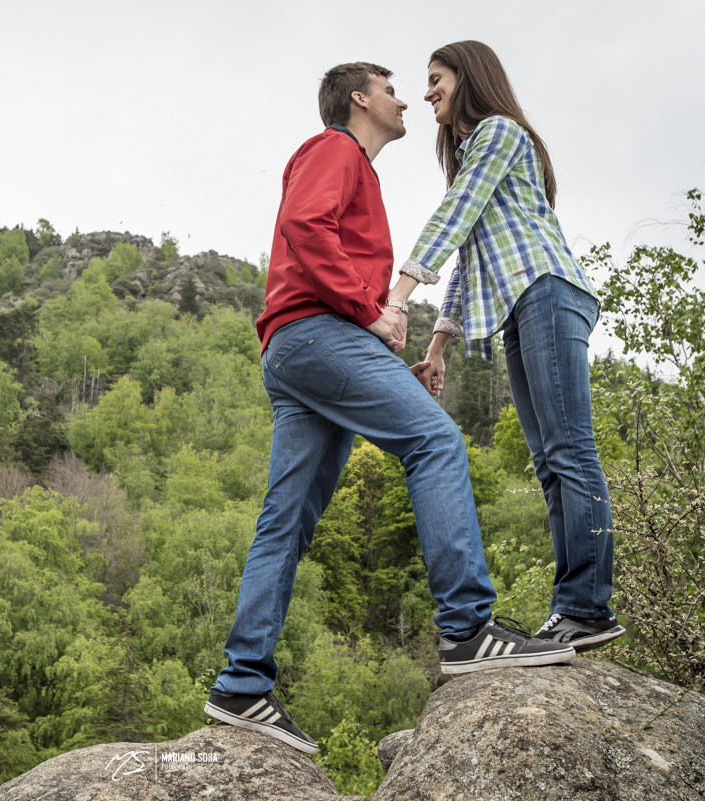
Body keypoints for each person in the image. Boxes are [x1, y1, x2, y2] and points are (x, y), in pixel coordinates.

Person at [203, 61, 575, 757]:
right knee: (436, 440)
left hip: (302, 345)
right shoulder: (335, 149)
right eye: (392, 88)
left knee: (286, 519)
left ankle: (241, 681)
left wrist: (373, 331)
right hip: (319, 332)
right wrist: (371, 314)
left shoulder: (358, 169)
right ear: (358, 99)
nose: (405, 100)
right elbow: (306, 227)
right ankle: (469, 627)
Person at [395, 41, 625, 653]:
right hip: (523, 309)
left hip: (547, 292)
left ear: (467, 77)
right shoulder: (475, 154)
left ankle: (588, 607)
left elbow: (456, 212)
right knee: (551, 462)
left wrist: (400, 292)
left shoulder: (498, 133)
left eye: (436, 79)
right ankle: (574, 608)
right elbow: (469, 257)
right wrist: (438, 346)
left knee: (571, 451)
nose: (426, 93)